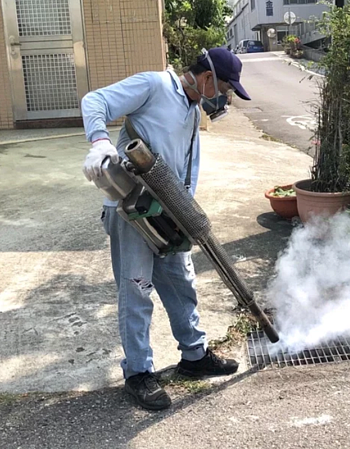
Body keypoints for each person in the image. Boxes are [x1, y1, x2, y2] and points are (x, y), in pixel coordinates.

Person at [81, 48, 251, 411]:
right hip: (132, 209)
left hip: (170, 212)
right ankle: (139, 373)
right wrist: (99, 142)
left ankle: (194, 356)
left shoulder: (192, 109)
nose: (226, 97)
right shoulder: (154, 84)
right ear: (207, 78)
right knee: (137, 288)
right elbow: (94, 101)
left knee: (181, 283)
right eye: (225, 87)